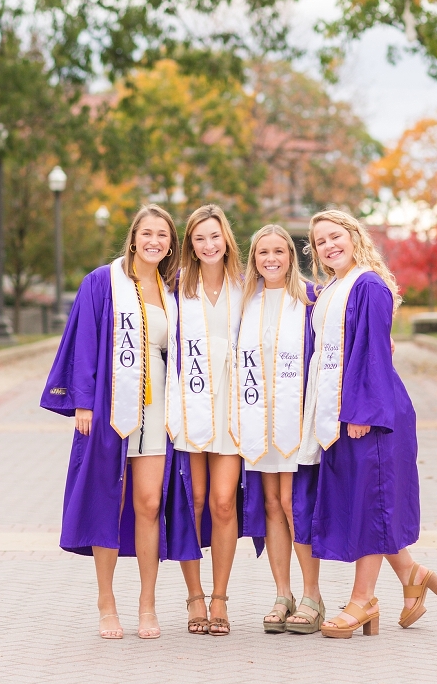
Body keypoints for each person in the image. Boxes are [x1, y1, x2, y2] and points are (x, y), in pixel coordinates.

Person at [41, 204, 194, 640]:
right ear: (133, 237)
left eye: (163, 235)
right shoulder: (102, 283)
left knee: (149, 505)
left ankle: (147, 605)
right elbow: (84, 341)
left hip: (158, 413)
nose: (155, 241)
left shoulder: (172, 290)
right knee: (109, 498)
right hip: (110, 409)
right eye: (147, 233)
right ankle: (106, 603)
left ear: (170, 244)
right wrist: (83, 404)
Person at [298, 209, 437, 640]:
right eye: (320, 241)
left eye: (335, 236)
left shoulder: (369, 285)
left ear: (354, 236)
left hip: (370, 413)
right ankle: (412, 574)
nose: (329, 245)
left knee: (369, 505)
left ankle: (363, 601)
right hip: (341, 412)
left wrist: (362, 412)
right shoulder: (333, 290)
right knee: (369, 502)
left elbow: (374, 354)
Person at [237, 224, 325, 635]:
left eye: (278, 251)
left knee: (295, 504)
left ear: (292, 256)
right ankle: (282, 594)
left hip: (296, 419)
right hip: (258, 419)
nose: (270, 259)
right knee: (272, 503)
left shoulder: (310, 299)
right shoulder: (244, 301)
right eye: (262, 253)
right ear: (253, 259)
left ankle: (313, 596)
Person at [167, 204, 244, 637]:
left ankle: (219, 598)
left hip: (232, 410)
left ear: (226, 239)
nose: (208, 245)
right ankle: (194, 597)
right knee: (192, 501)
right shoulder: (178, 287)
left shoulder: (244, 285)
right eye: (199, 239)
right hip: (189, 407)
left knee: (223, 502)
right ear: (190, 246)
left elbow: (295, 295)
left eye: (215, 236)